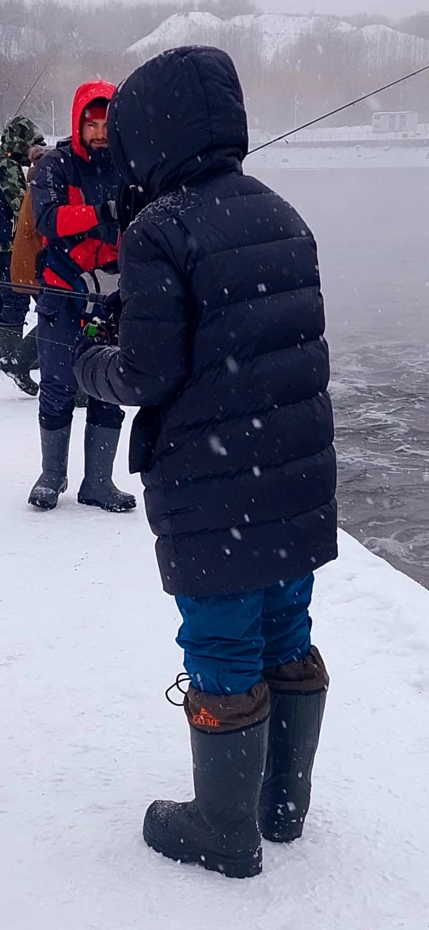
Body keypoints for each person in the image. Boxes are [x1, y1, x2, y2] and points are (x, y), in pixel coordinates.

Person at [74, 47, 337, 878]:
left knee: (220, 643)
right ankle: (281, 809)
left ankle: (225, 831)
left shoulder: (158, 229)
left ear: (151, 134)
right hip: (294, 483)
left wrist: (89, 362)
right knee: (285, 631)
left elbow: (148, 373)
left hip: (215, 489)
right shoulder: (285, 214)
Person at [29, 82, 135, 512]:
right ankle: (52, 475)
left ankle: (98, 482)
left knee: (111, 382)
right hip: (64, 291)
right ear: (78, 123)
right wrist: (101, 214)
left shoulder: (131, 165)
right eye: (91, 124)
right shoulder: (55, 165)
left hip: (114, 292)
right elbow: (48, 219)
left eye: (106, 123)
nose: (99, 132)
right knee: (57, 382)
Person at [0, 115, 44, 395]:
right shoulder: (7, 167)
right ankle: (14, 358)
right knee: (14, 296)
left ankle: (5, 355)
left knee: (1, 296)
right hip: (1, 243)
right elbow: (22, 206)